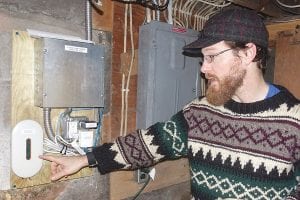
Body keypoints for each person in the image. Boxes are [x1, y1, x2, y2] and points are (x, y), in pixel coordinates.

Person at [40, 7, 300, 200]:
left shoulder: (294, 121)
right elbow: (147, 144)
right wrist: (84, 159)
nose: (203, 68)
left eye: (211, 57)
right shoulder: (201, 113)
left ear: (248, 53)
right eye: (203, 59)